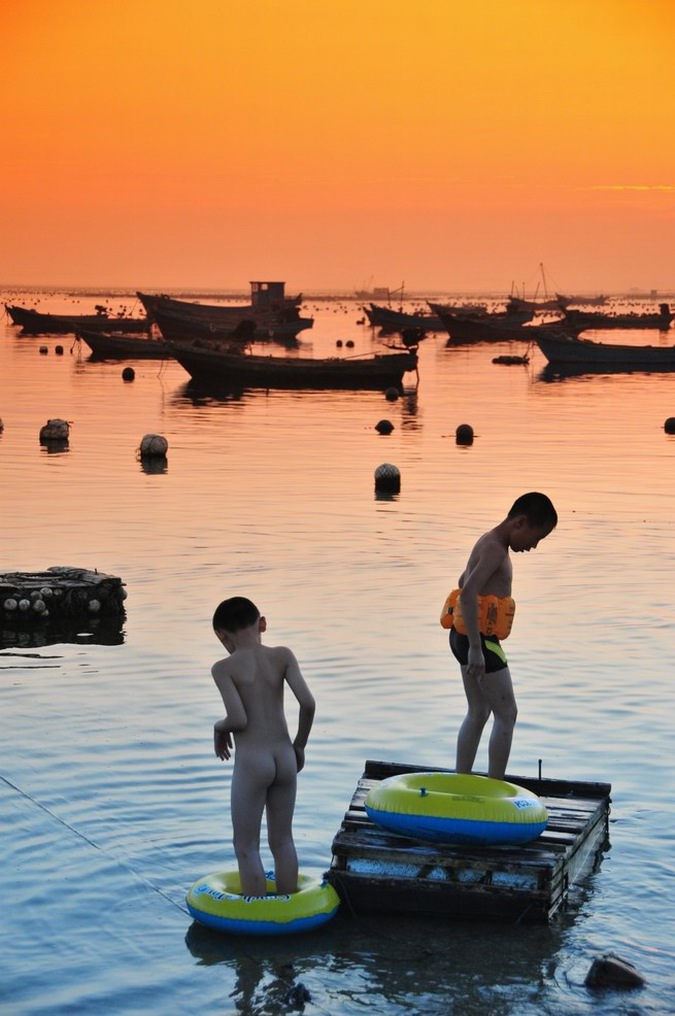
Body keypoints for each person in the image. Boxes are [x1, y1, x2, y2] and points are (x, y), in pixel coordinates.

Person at [442, 492, 558, 780]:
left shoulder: (487, 541)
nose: (533, 546)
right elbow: (468, 594)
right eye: (536, 537)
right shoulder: (495, 549)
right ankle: (495, 785)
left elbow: (462, 581)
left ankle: (462, 778)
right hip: (478, 642)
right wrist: (477, 650)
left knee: (478, 711)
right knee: (507, 714)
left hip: (462, 637)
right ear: (520, 522)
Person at [211, 596, 315, 897]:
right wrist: (300, 746)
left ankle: (256, 913)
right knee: (282, 841)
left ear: (222, 635)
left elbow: (238, 718)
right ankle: (287, 906)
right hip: (285, 757)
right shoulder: (282, 655)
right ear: (262, 624)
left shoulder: (223, 668)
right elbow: (308, 703)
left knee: (245, 846)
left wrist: (220, 727)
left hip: (253, 763)